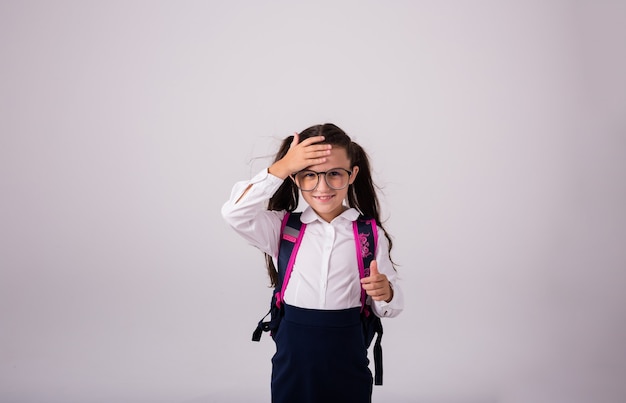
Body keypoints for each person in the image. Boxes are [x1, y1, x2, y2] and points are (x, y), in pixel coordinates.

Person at [221, 123, 403, 403]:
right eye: (309, 175)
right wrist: (281, 168)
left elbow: (389, 306)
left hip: (347, 358)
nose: (322, 186)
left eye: (334, 174)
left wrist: (385, 292)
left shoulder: (368, 234)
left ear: (352, 174)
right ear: (295, 178)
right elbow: (235, 213)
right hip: (294, 360)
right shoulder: (283, 228)